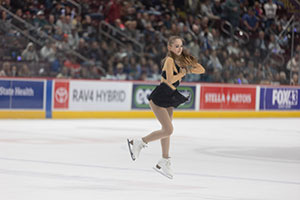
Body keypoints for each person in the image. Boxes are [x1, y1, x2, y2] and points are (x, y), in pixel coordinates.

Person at [127, 36, 205, 179]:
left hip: (170, 96)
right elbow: (169, 80)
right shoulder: (169, 61)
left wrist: (188, 67)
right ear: (169, 47)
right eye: (176, 46)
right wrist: (183, 73)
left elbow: (201, 69)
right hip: (160, 96)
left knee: (166, 131)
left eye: (181, 46)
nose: (179, 49)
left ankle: (164, 160)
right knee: (169, 129)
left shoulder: (182, 59)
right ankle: (139, 142)